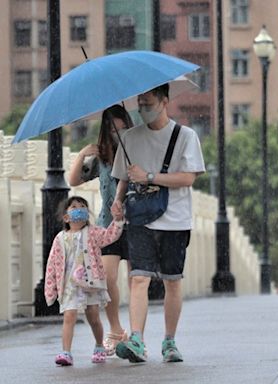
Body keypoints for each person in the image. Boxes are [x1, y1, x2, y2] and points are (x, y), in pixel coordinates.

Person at [111, 83, 205, 363]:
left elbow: (188, 178)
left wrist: (150, 176)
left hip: (175, 220)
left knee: (172, 282)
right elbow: (124, 177)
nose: (143, 109)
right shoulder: (129, 137)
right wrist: (117, 201)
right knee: (138, 277)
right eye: (140, 104)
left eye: (149, 103)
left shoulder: (186, 136)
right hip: (140, 218)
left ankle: (169, 341)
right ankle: (137, 339)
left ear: (165, 101)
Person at [68, 104, 134, 356]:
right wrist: (82, 154)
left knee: (136, 279)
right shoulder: (102, 159)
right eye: (112, 128)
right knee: (106, 279)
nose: (117, 133)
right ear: (105, 131)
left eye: (121, 127)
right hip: (108, 226)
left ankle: (137, 334)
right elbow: (73, 180)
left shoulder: (136, 152)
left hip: (136, 222)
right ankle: (116, 331)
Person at [44, 196, 125, 366]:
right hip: (69, 286)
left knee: (94, 318)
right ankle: (66, 352)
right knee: (69, 316)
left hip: (90, 284)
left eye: (83, 207)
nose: (79, 209)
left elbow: (109, 236)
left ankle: (98, 346)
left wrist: (117, 221)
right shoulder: (60, 239)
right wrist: (51, 289)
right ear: (66, 217)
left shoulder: (94, 233)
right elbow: (52, 264)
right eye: (74, 207)